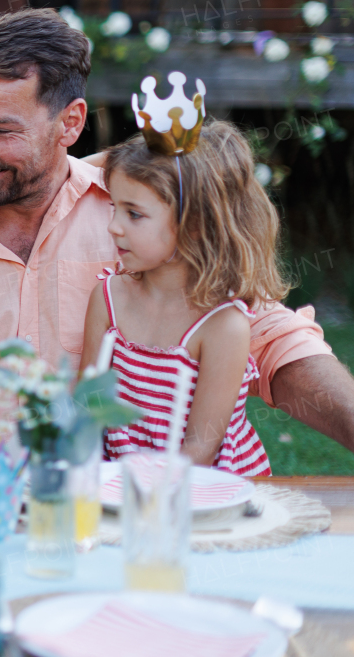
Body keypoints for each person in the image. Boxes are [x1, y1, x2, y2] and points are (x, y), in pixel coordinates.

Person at [0, 8, 354, 451]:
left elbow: (273, 341)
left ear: (70, 123)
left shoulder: (142, 217)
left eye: (2, 130)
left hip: (130, 516)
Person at [83, 120, 282, 476]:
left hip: (199, 492)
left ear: (194, 224)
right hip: (119, 486)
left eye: (134, 214)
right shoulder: (108, 297)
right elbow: (88, 405)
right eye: (114, 207)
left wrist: (136, 491)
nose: (114, 225)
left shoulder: (222, 327)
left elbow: (202, 446)